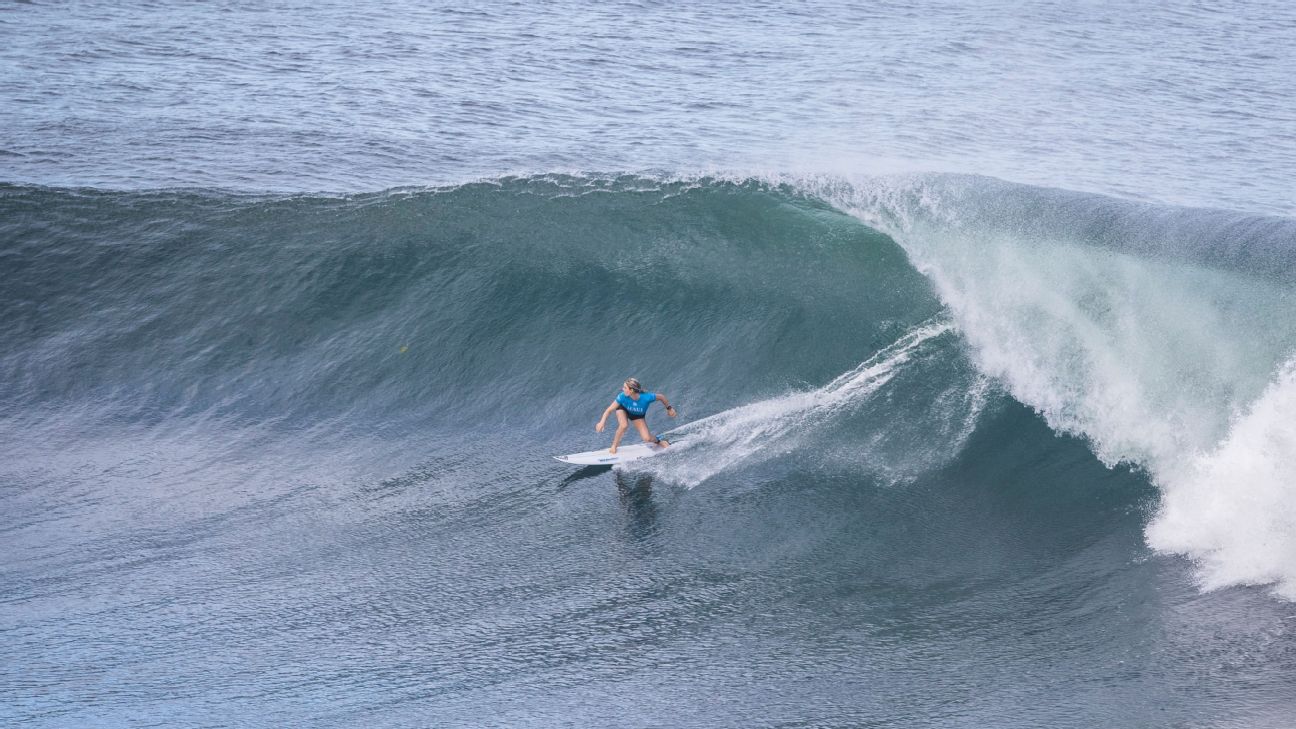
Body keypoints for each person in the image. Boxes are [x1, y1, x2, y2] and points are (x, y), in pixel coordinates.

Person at [595, 377, 677, 454]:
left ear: (631, 390)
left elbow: (661, 397)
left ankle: (661, 441)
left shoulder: (646, 397)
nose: (622, 389)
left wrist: (669, 408)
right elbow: (609, 410)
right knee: (624, 425)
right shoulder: (622, 396)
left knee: (647, 438)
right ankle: (614, 446)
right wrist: (602, 422)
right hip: (623, 409)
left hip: (637, 416)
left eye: (625, 388)